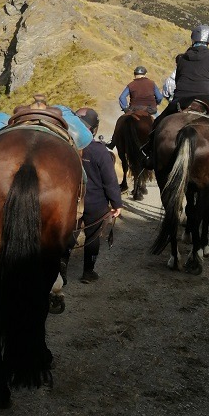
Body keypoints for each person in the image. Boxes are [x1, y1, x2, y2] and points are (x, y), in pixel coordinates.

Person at [150, 24, 209, 173]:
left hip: (181, 99)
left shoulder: (181, 59)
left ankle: (149, 155)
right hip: (204, 98)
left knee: (157, 122)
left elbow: (177, 81)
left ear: (193, 39)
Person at [75, 107, 123, 284]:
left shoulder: (64, 148)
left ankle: (61, 272)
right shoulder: (100, 151)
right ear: (94, 129)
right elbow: (110, 182)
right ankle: (88, 272)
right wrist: (116, 203)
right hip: (95, 203)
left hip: (72, 202)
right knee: (93, 236)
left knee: (66, 237)